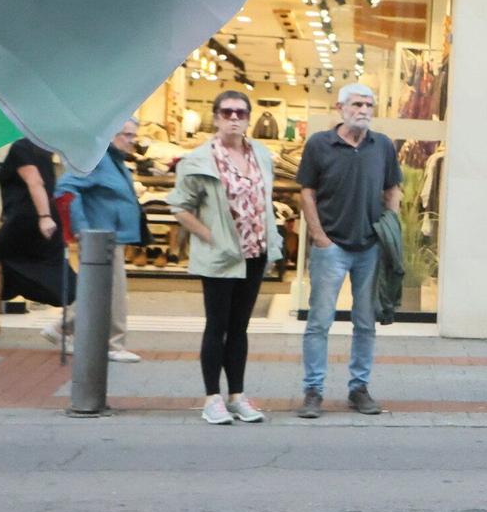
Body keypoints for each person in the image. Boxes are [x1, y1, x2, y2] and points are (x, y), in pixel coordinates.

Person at [168, 90, 280, 426]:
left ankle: (237, 395)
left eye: (241, 113)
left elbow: (265, 200)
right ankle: (212, 398)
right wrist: (208, 235)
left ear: (248, 119)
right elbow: (179, 207)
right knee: (217, 325)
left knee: (240, 327)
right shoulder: (200, 159)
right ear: (216, 117)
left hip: (254, 253)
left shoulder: (260, 154)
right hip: (220, 256)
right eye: (228, 112)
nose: (234, 118)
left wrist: (271, 241)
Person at [295, 83, 401, 418]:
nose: (364, 110)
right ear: (340, 107)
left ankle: (359, 388)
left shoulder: (382, 145)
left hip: (369, 247)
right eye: (357, 104)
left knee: (365, 323)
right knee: (319, 322)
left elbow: (392, 188)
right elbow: (306, 192)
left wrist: (390, 226)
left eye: (369, 105)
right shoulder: (319, 144)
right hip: (331, 246)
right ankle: (313, 391)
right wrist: (318, 235)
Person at [0, 138, 76, 342]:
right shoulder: (46, 148)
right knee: (44, 263)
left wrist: (44, 217)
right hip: (36, 217)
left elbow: (35, 181)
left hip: (26, 219)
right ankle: (78, 306)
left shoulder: (22, 147)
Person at [57, 120, 147, 364]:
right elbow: (65, 187)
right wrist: (81, 227)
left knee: (99, 289)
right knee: (114, 292)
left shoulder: (115, 161)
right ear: (111, 134)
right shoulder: (98, 160)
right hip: (101, 234)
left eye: (133, 135)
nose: (131, 140)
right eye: (126, 134)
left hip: (110, 234)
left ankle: (61, 327)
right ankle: (114, 344)